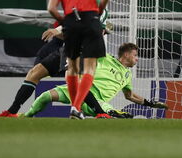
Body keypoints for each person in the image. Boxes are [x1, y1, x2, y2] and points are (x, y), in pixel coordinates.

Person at [22, 42, 168, 118]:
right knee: (44, 96)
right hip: (80, 89)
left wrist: (150, 103)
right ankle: (26, 116)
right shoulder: (106, 58)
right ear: (127, 54)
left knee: (105, 107)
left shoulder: (127, 75)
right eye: (135, 55)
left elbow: (130, 96)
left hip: (98, 99)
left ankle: (113, 113)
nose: (137, 59)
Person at [46, 0, 110, 119]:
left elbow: (51, 8)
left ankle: (75, 108)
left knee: (72, 68)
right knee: (90, 67)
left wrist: (63, 21)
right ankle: (76, 106)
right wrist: (97, 13)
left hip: (71, 22)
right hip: (90, 19)